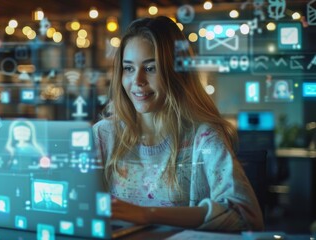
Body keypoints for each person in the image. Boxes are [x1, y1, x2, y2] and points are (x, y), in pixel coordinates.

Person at [93, 16, 264, 231]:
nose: (137, 81)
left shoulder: (204, 138)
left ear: (176, 73)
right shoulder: (103, 135)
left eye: (151, 68)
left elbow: (245, 216)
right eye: (128, 68)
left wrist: (147, 215)